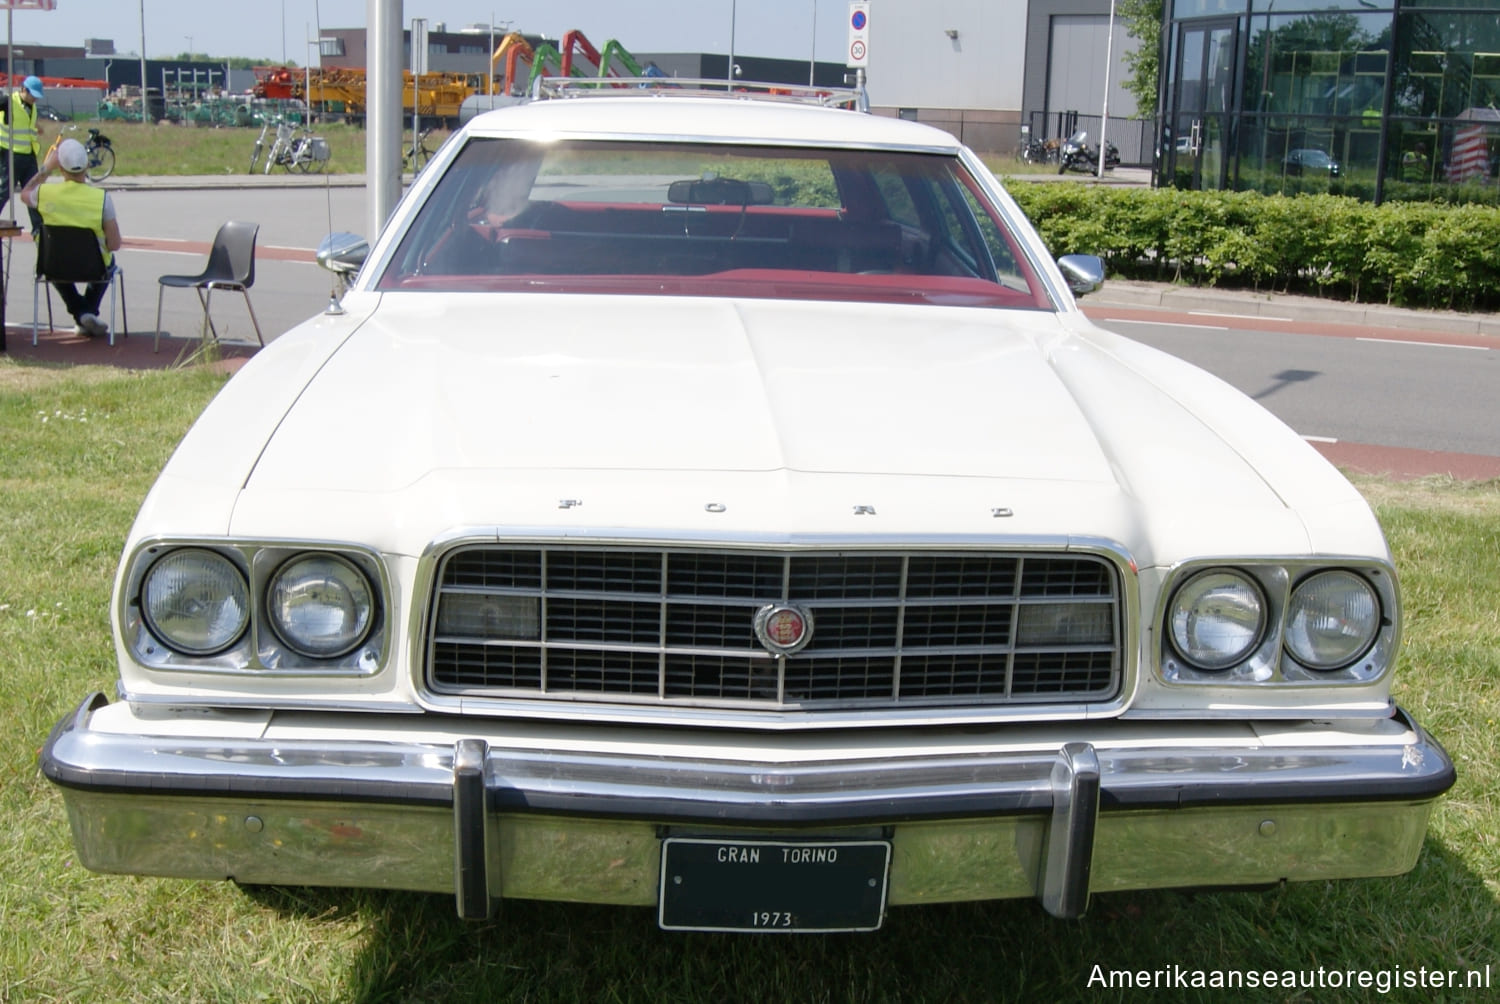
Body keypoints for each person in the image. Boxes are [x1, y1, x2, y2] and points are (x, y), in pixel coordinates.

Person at [20, 137, 122, 338]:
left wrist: (46, 168)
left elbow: (25, 193)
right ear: (86, 167)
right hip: (94, 267)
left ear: (61, 168)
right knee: (109, 264)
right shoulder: (102, 198)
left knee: (54, 268)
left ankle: (81, 312)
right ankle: (86, 312)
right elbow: (115, 244)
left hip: (54, 265)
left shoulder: (44, 193)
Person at [0, 75, 46, 234]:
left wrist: (37, 127)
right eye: (33, 95)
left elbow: (26, 122)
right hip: (11, 155)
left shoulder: (31, 106)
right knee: (4, 192)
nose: (35, 99)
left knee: (33, 194)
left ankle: (39, 232)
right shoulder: (8, 102)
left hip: (28, 156)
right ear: (23, 90)